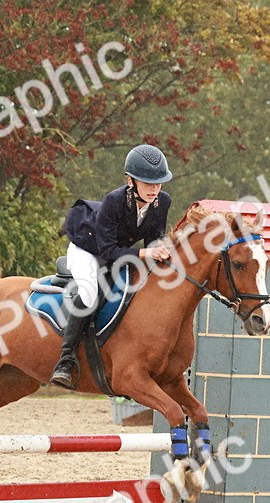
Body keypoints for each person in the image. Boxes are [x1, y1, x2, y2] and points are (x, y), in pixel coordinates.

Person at [50, 144, 174, 389]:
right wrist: (147, 251)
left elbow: (154, 237)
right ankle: (65, 361)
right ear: (131, 181)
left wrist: (163, 250)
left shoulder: (163, 201)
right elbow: (107, 251)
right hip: (88, 248)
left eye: (159, 183)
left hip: (118, 251)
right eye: (148, 183)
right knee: (89, 292)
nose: (155, 189)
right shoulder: (114, 201)